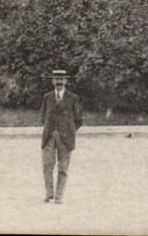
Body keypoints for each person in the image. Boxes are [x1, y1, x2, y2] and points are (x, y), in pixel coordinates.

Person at [40, 69, 83, 205]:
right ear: (52, 81)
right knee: (47, 165)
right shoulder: (47, 97)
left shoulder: (73, 98)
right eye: (56, 79)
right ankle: (49, 192)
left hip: (66, 138)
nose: (59, 81)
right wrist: (50, 129)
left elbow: (79, 119)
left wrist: (69, 131)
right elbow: (42, 117)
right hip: (49, 137)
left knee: (63, 168)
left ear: (66, 81)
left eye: (61, 79)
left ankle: (59, 196)